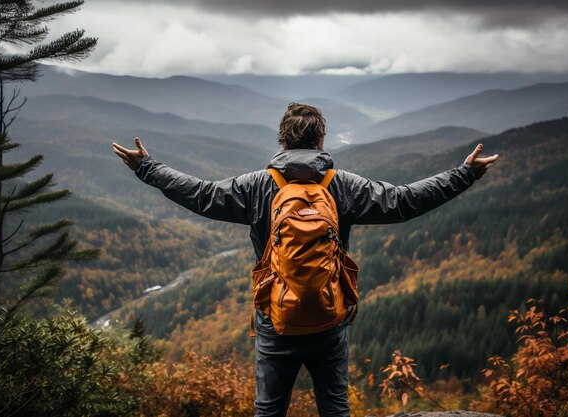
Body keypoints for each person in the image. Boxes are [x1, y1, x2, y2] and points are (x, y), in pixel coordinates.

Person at [112, 102, 498, 417]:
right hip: (330, 315)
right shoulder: (341, 184)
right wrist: (464, 174)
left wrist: (147, 167)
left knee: (269, 409)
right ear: (320, 140)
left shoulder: (259, 185)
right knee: (334, 405)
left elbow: (201, 194)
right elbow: (404, 201)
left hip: (275, 318)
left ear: (282, 139)